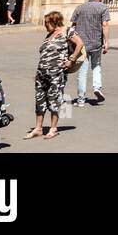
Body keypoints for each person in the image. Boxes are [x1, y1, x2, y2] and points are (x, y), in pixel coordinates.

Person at [25, 11, 83, 141]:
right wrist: (38, 73)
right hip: (42, 73)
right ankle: (38, 128)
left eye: (46, 22)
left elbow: (80, 44)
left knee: (54, 99)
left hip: (57, 73)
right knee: (40, 100)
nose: (45, 25)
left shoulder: (67, 31)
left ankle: (53, 128)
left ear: (54, 21)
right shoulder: (49, 35)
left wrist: (71, 59)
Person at [70, 0, 111, 107]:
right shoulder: (103, 8)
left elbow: (72, 25)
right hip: (96, 43)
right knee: (97, 65)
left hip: (81, 45)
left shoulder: (80, 8)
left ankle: (81, 99)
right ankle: (97, 87)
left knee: (82, 71)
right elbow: (105, 25)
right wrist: (106, 42)